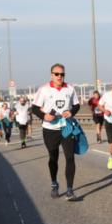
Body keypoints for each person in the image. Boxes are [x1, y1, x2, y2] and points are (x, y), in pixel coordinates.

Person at [32, 64, 81, 201]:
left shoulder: (70, 88)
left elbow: (76, 105)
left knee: (70, 157)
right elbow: (34, 108)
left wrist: (71, 112)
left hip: (66, 127)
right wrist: (44, 116)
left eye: (62, 74)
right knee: (53, 158)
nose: (60, 77)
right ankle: (54, 183)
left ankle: (70, 190)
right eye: (57, 74)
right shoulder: (44, 89)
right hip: (50, 129)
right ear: (51, 75)